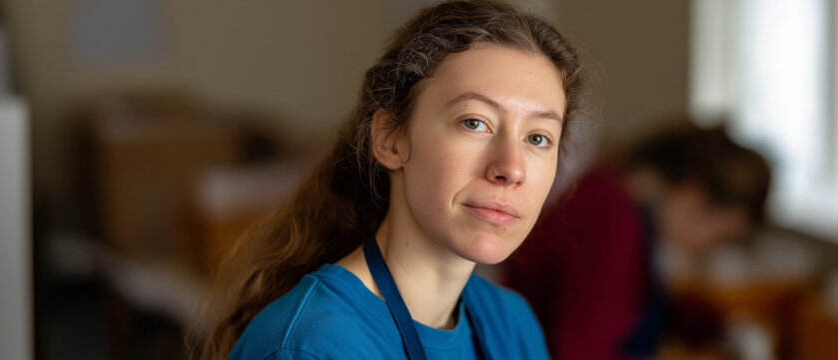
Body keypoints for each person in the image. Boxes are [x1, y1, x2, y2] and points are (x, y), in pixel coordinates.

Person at [192, 1, 587, 359]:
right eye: (474, 122)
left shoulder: (511, 325)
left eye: (537, 138)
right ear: (390, 140)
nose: (511, 168)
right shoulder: (312, 348)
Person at [503, 121, 772, 359]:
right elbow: (582, 351)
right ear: (694, 196)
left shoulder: (619, 201)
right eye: (721, 235)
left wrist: (722, 327)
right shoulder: (611, 219)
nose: (711, 249)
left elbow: (641, 305)